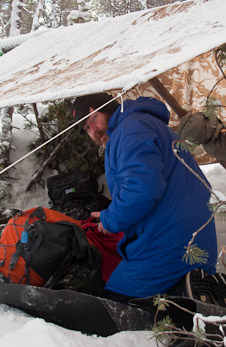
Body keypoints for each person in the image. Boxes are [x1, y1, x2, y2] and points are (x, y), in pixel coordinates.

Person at [72, 93, 218, 302]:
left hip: (171, 239)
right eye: (86, 128)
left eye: (93, 118)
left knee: (119, 300)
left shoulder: (130, 130)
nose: (93, 130)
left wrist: (110, 219)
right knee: (168, 302)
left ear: (108, 108)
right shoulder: (138, 124)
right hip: (188, 232)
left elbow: (142, 189)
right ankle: (196, 302)